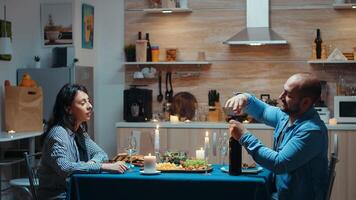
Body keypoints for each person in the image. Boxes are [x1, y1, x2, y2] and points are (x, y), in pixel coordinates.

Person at [225, 73, 328, 200]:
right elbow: (263, 111)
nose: (281, 97)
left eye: (288, 95)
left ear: (305, 102)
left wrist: (243, 136)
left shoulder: (312, 132)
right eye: (283, 91)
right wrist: (244, 97)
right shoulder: (287, 116)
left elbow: (279, 164)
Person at [38, 84, 128, 200]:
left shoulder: (79, 131)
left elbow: (102, 154)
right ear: (68, 109)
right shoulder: (59, 133)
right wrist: (103, 167)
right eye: (83, 103)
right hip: (59, 197)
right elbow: (64, 167)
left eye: (88, 101)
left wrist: (91, 164)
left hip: (75, 193)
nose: (90, 106)